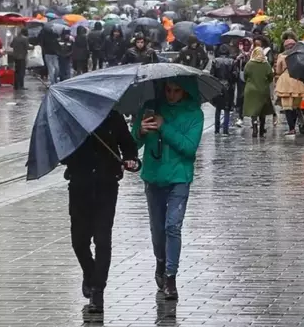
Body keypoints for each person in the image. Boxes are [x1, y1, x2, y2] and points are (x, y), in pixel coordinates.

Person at [131, 78, 204, 300]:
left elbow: (189, 148)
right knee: (157, 229)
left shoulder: (194, 114)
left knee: (173, 226)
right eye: (168, 90)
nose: (171, 94)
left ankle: (171, 276)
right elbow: (132, 144)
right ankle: (160, 262)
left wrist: (165, 127)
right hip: (153, 176)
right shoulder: (151, 108)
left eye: (177, 91)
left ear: (185, 91)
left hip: (179, 177)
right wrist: (140, 131)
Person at [62, 110, 139, 314]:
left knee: (103, 240)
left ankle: (98, 291)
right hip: (79, 187)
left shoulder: (114, 117)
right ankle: (90, 273)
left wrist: (131, 160)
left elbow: (128, 146)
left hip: (106, 186)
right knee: (79, 241)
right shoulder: (74, 118)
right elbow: (63, 155)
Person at [275, 39, 304, 136]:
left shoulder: (281, 56)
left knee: (287, 107)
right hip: (297, 80)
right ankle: (300, 122)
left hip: (285, 81)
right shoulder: (300, 55)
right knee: (296, 106)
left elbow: (278, 71)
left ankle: (291, 128)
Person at [242, 47, 274, 138]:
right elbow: (270, 76)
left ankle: (255, 126)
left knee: (253, 110)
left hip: (251, 90)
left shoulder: (249, 64)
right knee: (262, 110)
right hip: (263, 89)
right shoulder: (266, 64)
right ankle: (262, 130)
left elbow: (245, 76)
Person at [211, 45, 236, 135]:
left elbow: (212, 75)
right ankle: (225, 130)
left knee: (218, 109)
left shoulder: (215, 61)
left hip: (218, 85)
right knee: (226, 109)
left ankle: (217, 130)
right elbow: (234, 76)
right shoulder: (232, 61)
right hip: (228, 86)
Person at [234, 38, 252, 127]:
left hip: (251, 79)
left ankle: (254, 119)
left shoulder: (253, 55)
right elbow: (234, 65)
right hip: (241, 78)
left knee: (251, 98)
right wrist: (237, 59)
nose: (246, 47)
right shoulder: (240, 55)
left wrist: (248, 57)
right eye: (244, 45)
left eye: (248, 45)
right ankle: (240, 117)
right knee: (241, 97)